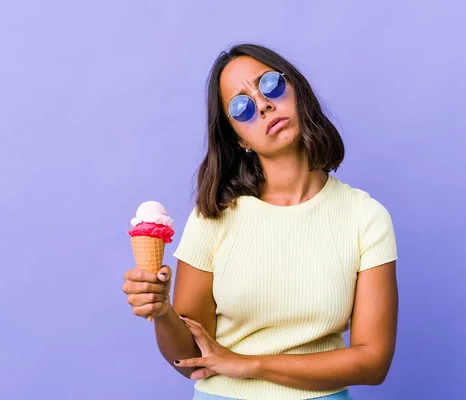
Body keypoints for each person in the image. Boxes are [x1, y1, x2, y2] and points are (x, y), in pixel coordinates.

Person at [122, 43, 398, 400]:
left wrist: (248, 363)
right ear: (239, 138)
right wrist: (162, 311)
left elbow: (373, 363)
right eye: (242, 107)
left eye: (269, 85)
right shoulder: (213, 216)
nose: (263, 105)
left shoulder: (366, 218)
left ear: (296, 89)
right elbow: (190, 359)